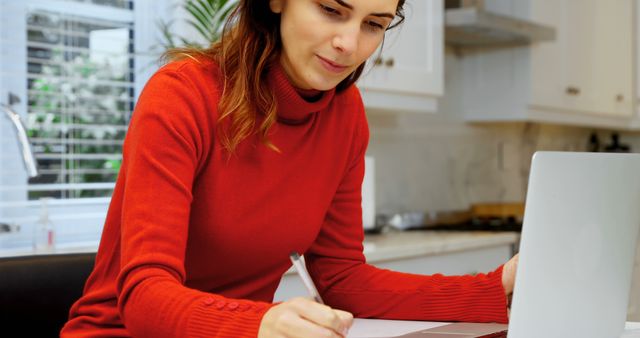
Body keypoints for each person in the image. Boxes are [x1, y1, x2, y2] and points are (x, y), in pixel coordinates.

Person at [61, 0, 519, 337]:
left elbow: (342, 279)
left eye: (373, 25)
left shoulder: (345, 115)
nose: (349, 43)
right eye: (331, 10)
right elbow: (144, 295)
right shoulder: (182, 96)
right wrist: (260, 322)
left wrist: (494, 287)